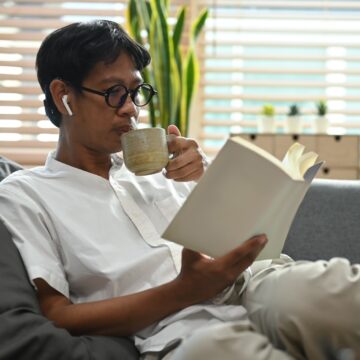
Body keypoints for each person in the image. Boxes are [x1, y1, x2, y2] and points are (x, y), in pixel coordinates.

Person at [0, 20, 359, 360]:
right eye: (113, 93)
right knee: (217, 351)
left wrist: (206, 181)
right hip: (180, 327)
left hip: (256, 284)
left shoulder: (163, 166)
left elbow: (235, 236)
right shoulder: (26, 195)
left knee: (316, 296)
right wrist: (185, 291)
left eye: (135, 92)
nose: (130, 110)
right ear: (64, 95)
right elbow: (58, 315)